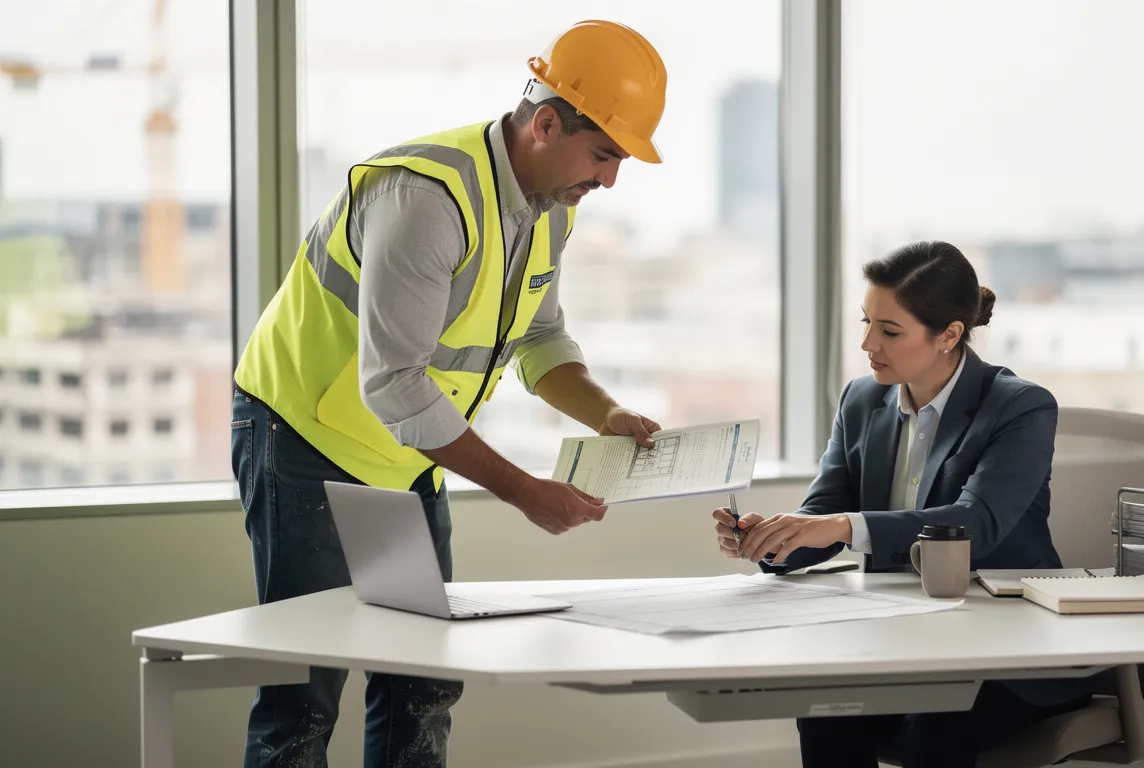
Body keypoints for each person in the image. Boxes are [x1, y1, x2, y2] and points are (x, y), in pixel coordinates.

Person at [229, 19, 667, 768]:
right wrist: (525, 490)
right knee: (305, 694)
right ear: (546, 122)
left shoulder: (548, 209)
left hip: (400, 457)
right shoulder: (429, 197)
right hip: (301, 439)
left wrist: (607, 413)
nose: (609, 180)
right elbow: (395, 382)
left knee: (422, 684)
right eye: (603, 155)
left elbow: (538, 339)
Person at [710, 240, 1094, 768]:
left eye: (890, 331)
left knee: (933, 724)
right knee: (824, 707)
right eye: (866, 322)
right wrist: (772, 540)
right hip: (898, 636)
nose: (868, 343)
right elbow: (824, 514)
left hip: (1009, 652)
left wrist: (840, 526)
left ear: (950, 335)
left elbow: (973, 522)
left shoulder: (1018, 406)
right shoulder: (862, 400)